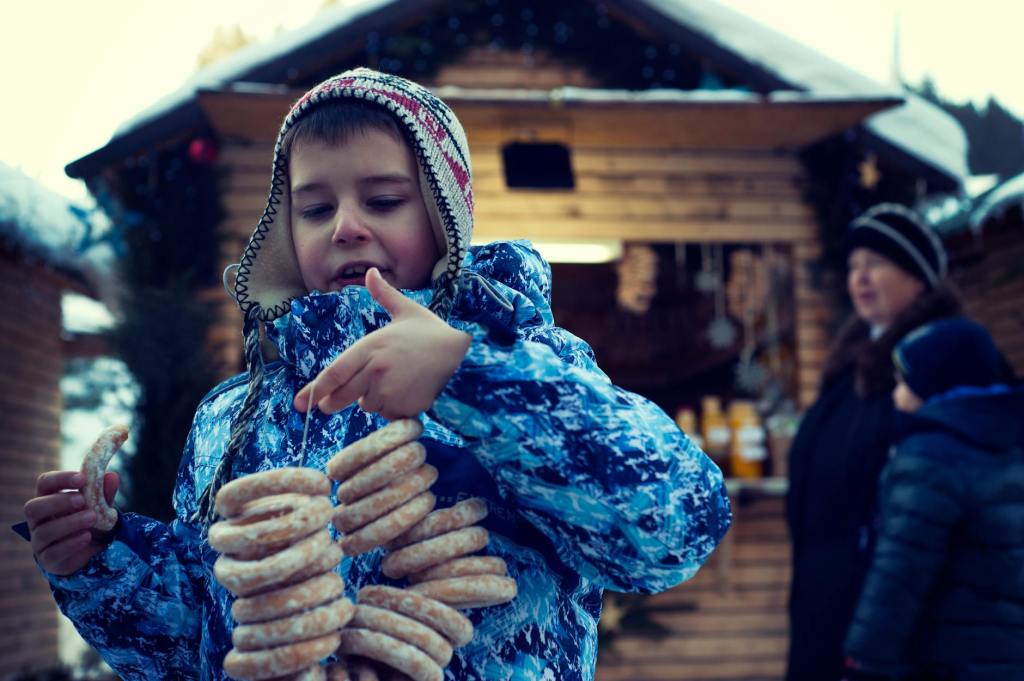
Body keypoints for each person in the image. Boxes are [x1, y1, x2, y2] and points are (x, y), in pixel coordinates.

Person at [21, 68, 731, 680]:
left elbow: (674, 527)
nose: (345, 227)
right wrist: (103, 563)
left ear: (445, 216)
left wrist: (466, 375)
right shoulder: (229, 417)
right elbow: (209, 637)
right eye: (315, 207)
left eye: (384, 200)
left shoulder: (529, 368)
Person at [785, 203, 962, 681]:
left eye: (877, 263)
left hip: (886, 608)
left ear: (919, 279)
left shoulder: (937, 364)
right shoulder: (848, 370)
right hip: (823, 594)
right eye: (854, 266)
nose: (860, 277)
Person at [843, 318, 1024, 681]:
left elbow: (900, 572)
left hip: (944, 660)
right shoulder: (1011, 444)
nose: (895, 396)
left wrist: (865, 660)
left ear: (932, 382)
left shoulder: (929, 457)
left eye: (902, 382)